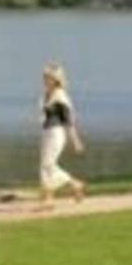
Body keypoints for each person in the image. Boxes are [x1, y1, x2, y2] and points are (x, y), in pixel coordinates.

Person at [39, 63, 86, 207]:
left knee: (48, 164)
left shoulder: (60, 96)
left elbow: (68, 120)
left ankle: (67, 187)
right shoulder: (47, 94)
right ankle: (52, 195)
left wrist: (75, 140)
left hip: (56, 133)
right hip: (47, 133)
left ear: (55, 79)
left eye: (48, 77)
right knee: (45, 165)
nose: (45, 80)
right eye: (44, 77)